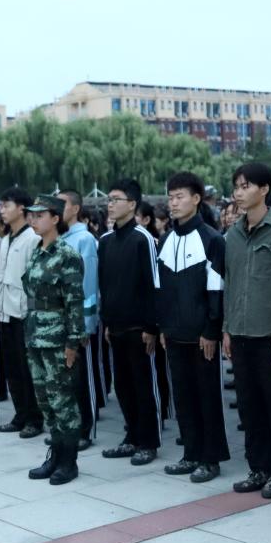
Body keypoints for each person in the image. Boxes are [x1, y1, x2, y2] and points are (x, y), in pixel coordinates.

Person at [223, 163, 271, 496]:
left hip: (270, 336)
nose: (239, 193)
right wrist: (226, 329)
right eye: (236, 187)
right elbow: (229, 284)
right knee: (248, 407)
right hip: (239, 334)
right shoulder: (232, 235)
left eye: (246, 186)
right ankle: (257, 467)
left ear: (265, 189)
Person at [158, 172, 230, 483]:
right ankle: (190, 453)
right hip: (174, 334)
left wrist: (211, 330)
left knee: (207, 398)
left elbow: (217, 289)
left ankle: (210, 459)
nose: (173, 203)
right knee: (183, 398)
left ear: (196, 199)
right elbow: (161, 289)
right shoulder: (166, 239)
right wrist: (163, 327)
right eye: (170, 197)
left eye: (180, 197)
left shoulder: (212, 239)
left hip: (203, 337)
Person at [22, 195, 85, 486]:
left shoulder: (67, 255)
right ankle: (55, 455)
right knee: (45, 401)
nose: (33, 220)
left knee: (63, 401)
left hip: (58, 339)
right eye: (31, 215)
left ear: (56, 219)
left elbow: (75, 303)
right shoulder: (37, 251)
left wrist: (73, 343)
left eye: (39, 215)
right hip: (35, 336)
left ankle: (69, 462)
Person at [99, 178, 161, 466]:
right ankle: (131, 436)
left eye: (116, 199)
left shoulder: (142, 239)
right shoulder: (105, 241)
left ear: (133, 204)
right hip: (115, 326)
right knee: (122, 387)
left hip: (139, 329)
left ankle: (148, 442)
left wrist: (150, 326)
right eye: (109, 199)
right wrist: (106, 323)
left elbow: (152, 285)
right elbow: (105, 285)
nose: (110, 204)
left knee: (143, 386)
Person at [0, 188, 43, 437]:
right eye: (1, 205)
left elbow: (35, 282)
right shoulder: (6, 239)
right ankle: (20, 414)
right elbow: (0, 278)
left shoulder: (32, 238)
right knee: (12, 368)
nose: (2, 210)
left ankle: (34, 419)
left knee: (27, 370)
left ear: (22, 208)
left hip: (24, 315)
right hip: (5, 312)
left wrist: (30, 314)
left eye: (7, 205)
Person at [58, 189, 102, 450]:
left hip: (77, 323)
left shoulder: (84, 239)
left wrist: (85, 324)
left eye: (62, 205)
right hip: (58, 321)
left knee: (82, 379)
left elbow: (89, 285)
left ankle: (85, 429)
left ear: (75, 209)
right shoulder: (58, 237)